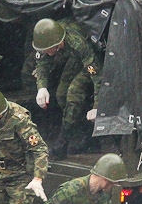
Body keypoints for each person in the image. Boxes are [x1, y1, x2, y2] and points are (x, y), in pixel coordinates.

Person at [32, 17, 103, 159]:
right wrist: (42, 88)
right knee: (61, 94)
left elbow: (97, 76)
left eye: (47, 50)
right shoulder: (46, 40)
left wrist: (97, 106)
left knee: (74, 93)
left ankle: (63, 142)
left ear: (58, 43)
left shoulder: (77, 42)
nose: (46, 52)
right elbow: (42, 65)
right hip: (76, 58)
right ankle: (82, 130)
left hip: (94, 59)